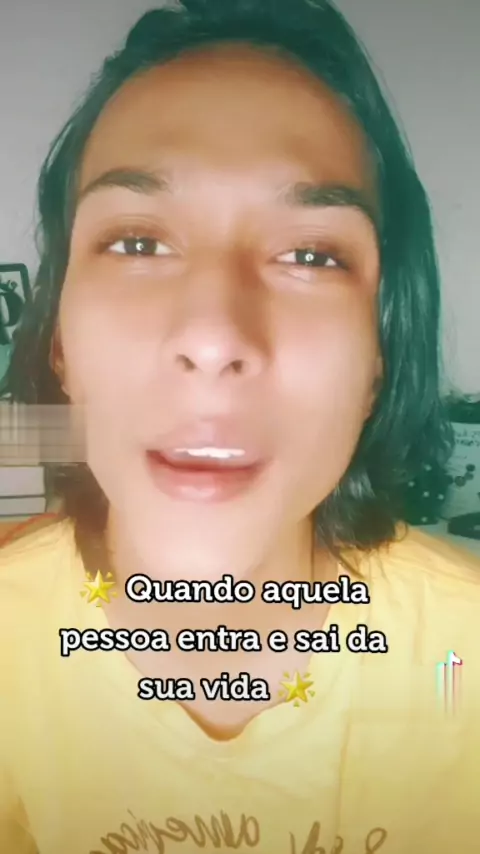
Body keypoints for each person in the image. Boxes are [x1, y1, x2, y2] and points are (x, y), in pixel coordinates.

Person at [1, 1, 479, 851]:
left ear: (378, 358)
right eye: (138, 243)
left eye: (311, 255)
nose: (214, 337)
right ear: (60, 342)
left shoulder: (463, 659)